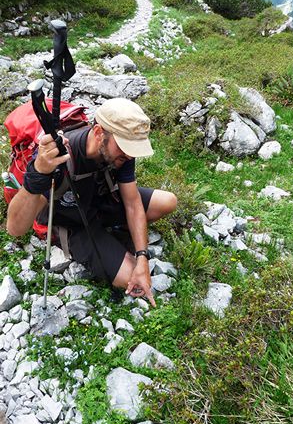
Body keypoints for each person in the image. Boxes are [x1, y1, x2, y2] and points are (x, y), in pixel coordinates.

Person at [6, 98, 177, 307]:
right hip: (73, 224)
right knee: (132, 276)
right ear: (98, 133)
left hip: (98, 202)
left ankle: (110, 237)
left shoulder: (121, 153)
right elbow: (14, 228)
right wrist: (39, 172)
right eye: (124, 146)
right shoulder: (60, 161)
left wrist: (143, 256)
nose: (129, 154)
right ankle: (102, 240)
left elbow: (132, 203)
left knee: (168, 201)